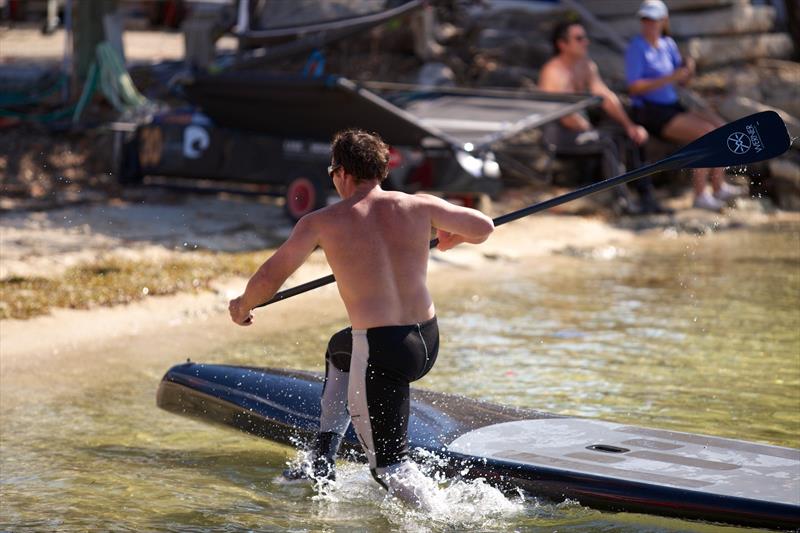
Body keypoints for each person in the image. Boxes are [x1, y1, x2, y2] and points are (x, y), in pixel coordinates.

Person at [228, 129, 494, 508]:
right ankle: (321, 458)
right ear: (380, 171)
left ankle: (441, 519)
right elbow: (484, 227)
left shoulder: (321, 222)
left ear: (342, 173)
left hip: (383, 352)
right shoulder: (418, 205)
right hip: (425, 340)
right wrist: (455, 238)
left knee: (389, 468)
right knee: (340, 350)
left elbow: (272, 276)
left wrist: (243, 305)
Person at [539, 20, 669, 215]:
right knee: (607, 142)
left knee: (633, 136)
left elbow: (606, 97)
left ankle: (646, 197)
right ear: (562, 44)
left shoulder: (586, 66)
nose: (586, 42)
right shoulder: (553, 71)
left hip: (582, 128)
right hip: (558, 135)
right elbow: (564, 115)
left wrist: (629, 126)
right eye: (579, 38)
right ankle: (622, 203)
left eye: (585, 37)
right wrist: (590, 131)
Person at [625, 0, 744, 211]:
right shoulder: (637, 47)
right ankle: (700, 194)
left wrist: (688, 70)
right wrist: (670, 77)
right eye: (645, 19)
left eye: (653, 19)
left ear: (663, 21)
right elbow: (634, 88)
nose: (649, 24)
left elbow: (681, 81)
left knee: (720, 126)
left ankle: (718, 186)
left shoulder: (668, 45)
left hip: (671, 106)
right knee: (705, 135)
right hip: (649, 111)